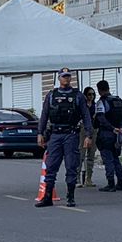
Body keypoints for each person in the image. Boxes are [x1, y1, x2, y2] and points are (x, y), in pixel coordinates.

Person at [36, 67, 89, 207]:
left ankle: (70, 197)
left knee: (72, 166)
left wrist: (88, 135)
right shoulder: (51, 95)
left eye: (68, 76)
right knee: (51, 166)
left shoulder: (77, 95)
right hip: (55, 135)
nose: (66, 78)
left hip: (71, 135)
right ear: (58, 78)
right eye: (63, 76)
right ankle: (47, 197)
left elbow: (86, 115)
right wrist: (40, 133)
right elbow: (44, 115)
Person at [95, 80, 122, 192]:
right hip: (118, 134)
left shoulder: (101, 102)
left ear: (99, 90)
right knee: (116, 158)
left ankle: (111, 184)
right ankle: (121, 182)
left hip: (106, 134)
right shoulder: (118, 100)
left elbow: (101, 118)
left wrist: (111, 128)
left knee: (108, 159)